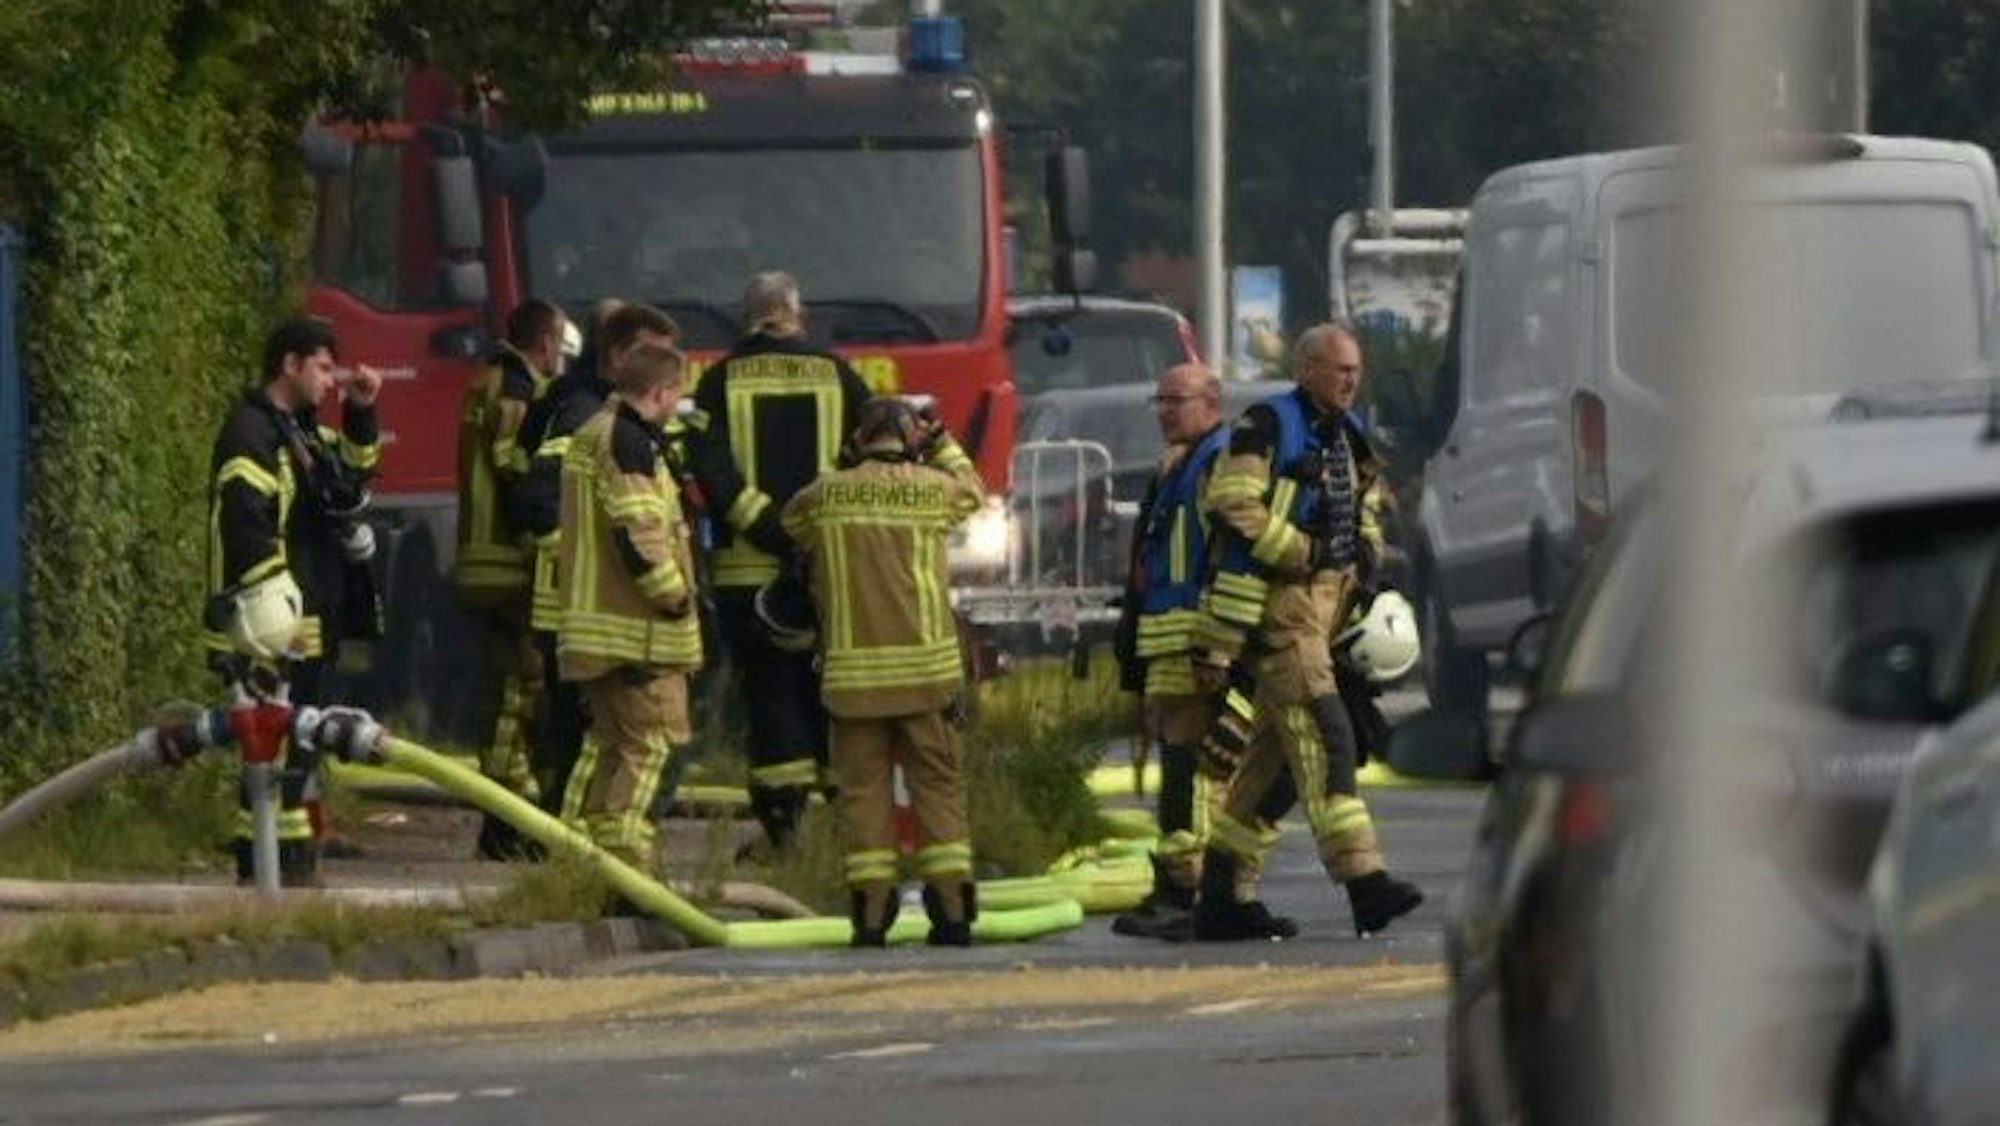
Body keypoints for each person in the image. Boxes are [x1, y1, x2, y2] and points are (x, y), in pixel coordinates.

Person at [1188, 323, 1424, 940]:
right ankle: (1366, 885)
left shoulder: (1347, 436)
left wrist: (1364, 554)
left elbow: (1364, 506)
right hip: (1282, 609)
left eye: (1356, 369)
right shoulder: (1266, 426)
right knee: (1327, 740)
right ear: (1307, 369)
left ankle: (1221, 897)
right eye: (1338, 368)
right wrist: (1301, 551)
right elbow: (1233, 504)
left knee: (1273, 768)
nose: (1350, 380)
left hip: (1327, 608)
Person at [781, 399, 985, 946]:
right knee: (937, 789)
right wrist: (940, 441)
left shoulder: (824, 496)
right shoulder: (933, 489)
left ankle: (871, 915)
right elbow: (973, 488)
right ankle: (952, 911)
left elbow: (792, 524)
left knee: (862, 794)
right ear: (909, 438)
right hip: (928, 676)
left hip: (853, 683)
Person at [1110, 363, 1298, 941]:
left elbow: (1233, 555)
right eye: (1159, 399)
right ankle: (1179, 886)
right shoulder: (1180, 463)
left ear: (1212, 402)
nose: (1165, 409)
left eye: (1177, 399)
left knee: (1201, 768)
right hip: (1172, 639)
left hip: (1200, 639)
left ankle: (1191, 889)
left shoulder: (1218, 460)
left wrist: (1219, 646)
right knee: (1181, 765)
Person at [690, 271, 872, 848]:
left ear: (748, 319)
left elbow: (714, 477)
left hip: (748, 575)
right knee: (831, 693)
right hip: (827, 571)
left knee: (769, 698)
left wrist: (771, 531)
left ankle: (784, 830)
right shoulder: (840, 376)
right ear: (799, 315)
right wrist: (811, 538)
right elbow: (866, 460)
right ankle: (847, 824)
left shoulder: (717, 382)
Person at [205, 316, 382, 886]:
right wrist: (271, 612)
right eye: (325, 368)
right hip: (272, 620)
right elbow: (245, 524)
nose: (333, 380)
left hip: (311, 610)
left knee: (303, 739)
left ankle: (295, 856)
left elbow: (350, 477)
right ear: (290, 364)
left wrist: (361, 411)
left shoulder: (301, 432)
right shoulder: (251, 433)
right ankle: (264, 865)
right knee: (272, 741)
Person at [517, 301, 680, 816]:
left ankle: (572, 847)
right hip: (582, 610)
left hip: (583, 609)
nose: (659, 366)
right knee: (593, 738)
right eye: (649, 353)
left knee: (591, 739)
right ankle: (578, 847)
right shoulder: (589, 415)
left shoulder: (599, 411)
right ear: (617, 354)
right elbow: (538, 500)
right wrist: (591, 564)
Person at [553, 341, 703, 874]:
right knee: (655, 746)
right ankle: (627, 868)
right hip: (637, 632)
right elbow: (639, 533)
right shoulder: (629, 442)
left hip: (595, 626)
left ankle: (573, 860)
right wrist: (677, 597)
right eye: (675, 396)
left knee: (607, 747)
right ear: (661, 392)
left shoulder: (594, 432)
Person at [455, 297, 570, 859]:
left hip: (482, 558)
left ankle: (506, 816)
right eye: (558, 348)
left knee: (505, 691)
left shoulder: (485, 381)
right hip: (508, 560)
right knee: (521, 692)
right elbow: (516, 467)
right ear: (545, 343)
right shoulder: (516, 389)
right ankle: (510, 819)